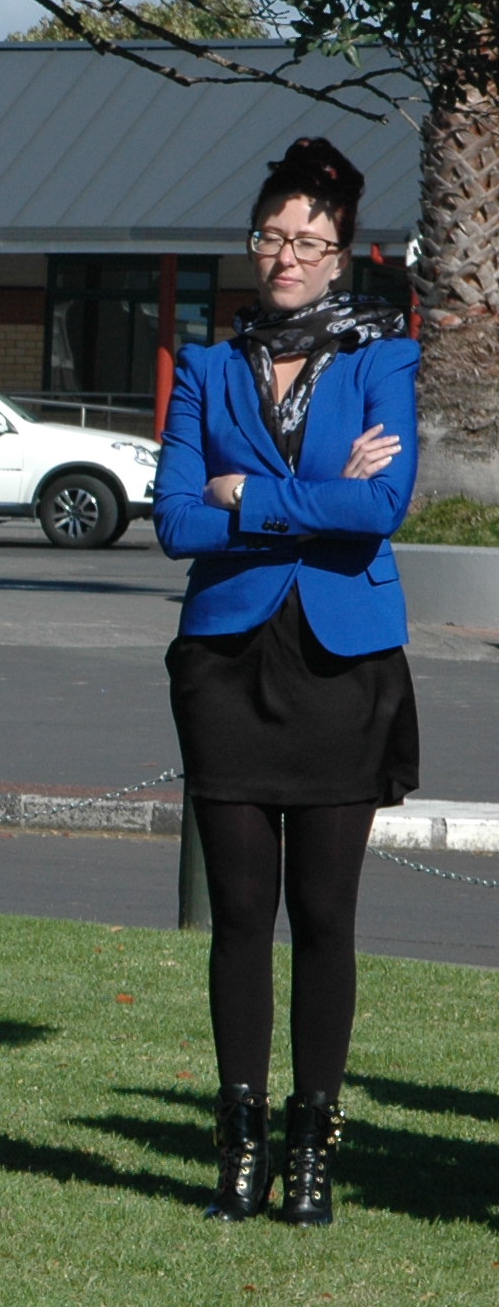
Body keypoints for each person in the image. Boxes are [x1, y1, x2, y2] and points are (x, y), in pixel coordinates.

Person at [155, 135, 418, 1227]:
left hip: (341, 664)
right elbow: (172, 522)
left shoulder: (381, 362)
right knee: (236, 918)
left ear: (342, 253)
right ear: (250, 241)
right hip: (223, 663)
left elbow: (380, 509)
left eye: (308, 241)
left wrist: (244, 499)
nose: (286, 256)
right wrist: (272, 499)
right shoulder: (207, 368)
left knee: (322, 914)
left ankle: (310, 1152)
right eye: (271, 236)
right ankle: (236, 1149)